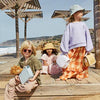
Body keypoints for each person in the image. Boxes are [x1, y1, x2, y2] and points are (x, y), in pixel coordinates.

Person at [59, 5, 93, 80]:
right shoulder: (70, 25)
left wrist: (89, 47)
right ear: (74, 14)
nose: (82, 13)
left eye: (81, 12)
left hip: (82, 46)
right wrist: (64, 49)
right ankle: (68, 74)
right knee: (70, 61)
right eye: (79, 12)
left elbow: (87, 36)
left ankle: (80, 74)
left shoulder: (83, 24)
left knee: (81, 62)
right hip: (72, 47)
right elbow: (66, 37)